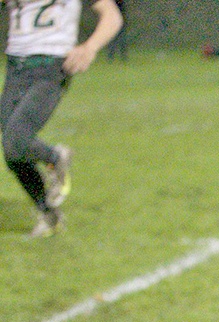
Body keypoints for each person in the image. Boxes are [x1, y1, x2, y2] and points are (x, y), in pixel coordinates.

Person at [2, 0, 121, 237]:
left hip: (51, 66)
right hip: (16, 68)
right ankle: (49, 214)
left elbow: (112, 15)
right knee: (13, 152)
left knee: (16, 140)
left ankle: (56, 158)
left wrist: (90, 47)